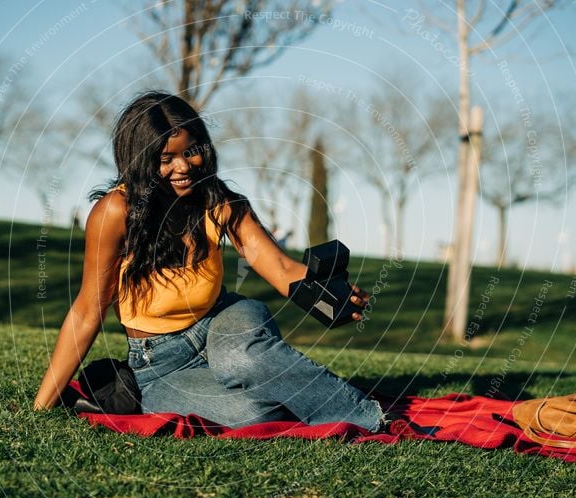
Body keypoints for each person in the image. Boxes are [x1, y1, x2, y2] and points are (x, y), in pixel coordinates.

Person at [33, 91, 389, 432]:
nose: (183, 166)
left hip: (224, 321)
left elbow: (280, 267)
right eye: (165, 159)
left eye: (191, 152)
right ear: (140, 161)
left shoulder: (218, 201)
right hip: (160, 363)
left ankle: (367, 418)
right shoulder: (115, 212)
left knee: (242, 358)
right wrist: (41, 406)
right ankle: (271, 385)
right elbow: (87, 311)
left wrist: (328, 294)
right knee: (256, 414)